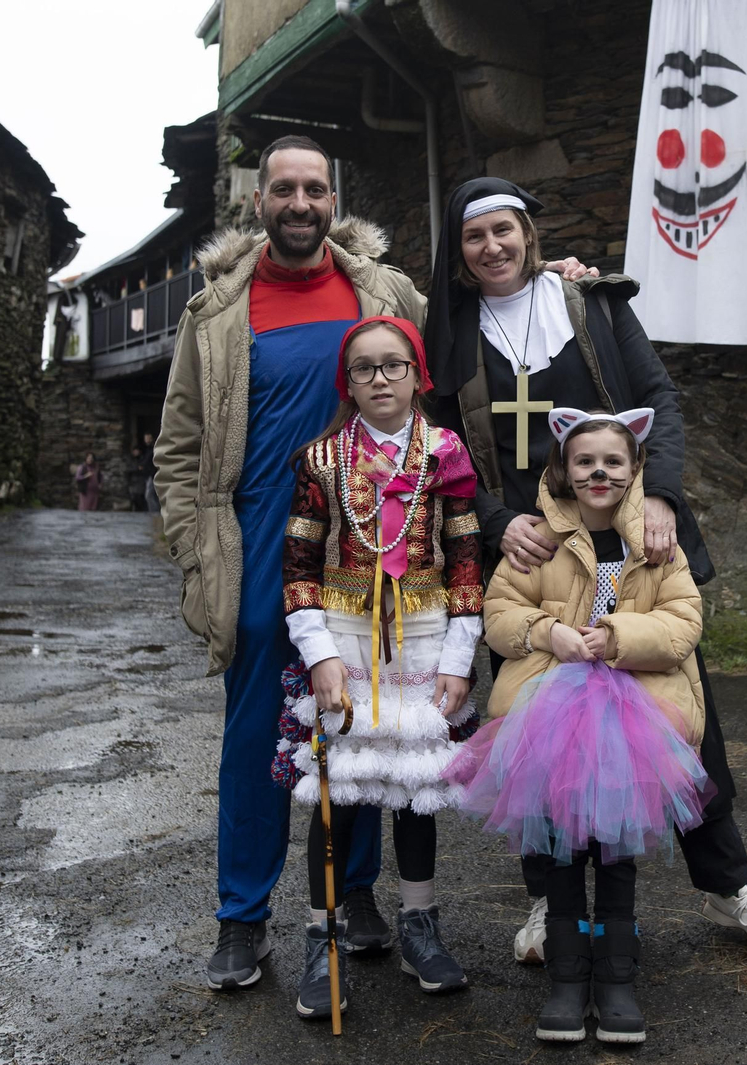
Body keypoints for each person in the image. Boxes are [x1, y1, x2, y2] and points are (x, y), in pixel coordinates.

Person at [153, 135, 595, 991]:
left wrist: (555, 285)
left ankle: (352, 896)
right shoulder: (215, 312)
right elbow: (179, 447)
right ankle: (242, 918)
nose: (299, 203)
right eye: (283, 189)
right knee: (256, 737)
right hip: (253, 540)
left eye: (313, 188)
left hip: (376, 544)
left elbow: (476, 327)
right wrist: (192, 545)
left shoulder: (384, 291)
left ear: (332, 200)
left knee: (362, 715)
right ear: (260, 203)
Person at [423, 177, 747, 966]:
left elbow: (657, 396)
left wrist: (659, 489)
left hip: (632, 543)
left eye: (504, 230)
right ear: (457, 255)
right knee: (533, 737)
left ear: (529, 233)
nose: (492, 247)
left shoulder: (588, 304)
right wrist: (499, 522)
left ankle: (734, 887)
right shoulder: (451, 334)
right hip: (529, 558)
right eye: (474, 237)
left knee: (685, 727)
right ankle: (547, 901)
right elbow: (447, 453)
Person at [449, 408, 712, 1044]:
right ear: (563, 470)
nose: (599, 472)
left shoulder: (655, 546)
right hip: (549, 710)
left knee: (616, 849)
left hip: (636, 711)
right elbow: (499, 611)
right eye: (585, 461)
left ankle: (615, 978)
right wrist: (548, 632)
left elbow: (684, 621)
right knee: (560, 846)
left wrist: (620, 633)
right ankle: (567, 978)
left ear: (636, 469)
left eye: (613, 462)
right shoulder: (539, 540)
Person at [273, 315, 481, 1019]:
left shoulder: (446, 452)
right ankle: (321, 936)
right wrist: (320, 656)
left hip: (423, 637)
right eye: (364, 368)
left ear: (418, 374)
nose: (380, 379)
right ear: (348, 381)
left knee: (414, 785)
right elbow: (299, 566)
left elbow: (466, 560)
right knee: (339, 792)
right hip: (344, 637)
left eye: (394, 365)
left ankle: (420, 922)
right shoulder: (322, 460)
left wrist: (459, 656)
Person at [142, 432, 160, 514]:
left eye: (148, 438)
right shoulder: (147, 449)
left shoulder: (153, 448)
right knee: (151, 494)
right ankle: (154, 511)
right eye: (146, 438)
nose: (147, 440)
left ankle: (154, 512)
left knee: (149, 495)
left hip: (153, 474)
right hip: (149, 474)